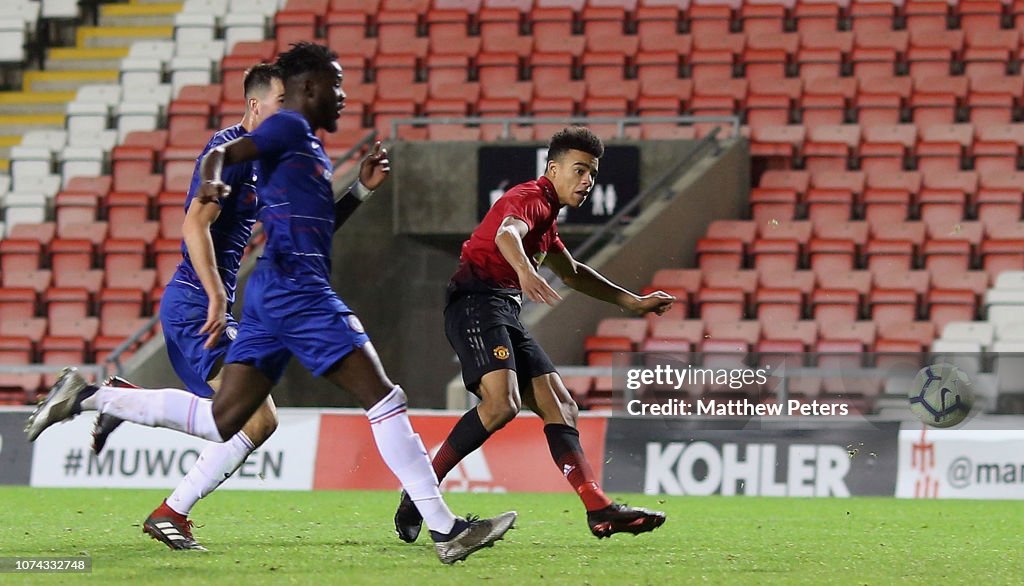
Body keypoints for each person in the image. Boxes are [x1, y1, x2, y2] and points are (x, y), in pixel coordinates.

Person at [26, 42, 515, 565]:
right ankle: (443, 528)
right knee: (381, 396)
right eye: (334, 85)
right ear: (273, 101)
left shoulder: (286, 149)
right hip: (254, 295)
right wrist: (215, 288)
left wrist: (360, 193)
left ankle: (104, 410)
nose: (345, 96)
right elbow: (196, 217)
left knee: (237, 421)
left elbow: (310, 226)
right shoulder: (276, 134)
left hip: (264, 293)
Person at [393, 126, 674, 542]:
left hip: (501, 309)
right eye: (579, 171)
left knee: (561, 404)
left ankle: (599, 508)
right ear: (553, 168)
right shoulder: (529, 198)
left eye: (592, 174)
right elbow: (508, 233)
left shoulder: (548, 220)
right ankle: (419, 493)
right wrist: (525, 270)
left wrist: (631, 302)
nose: (587, 181)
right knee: (501, 403)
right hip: (475, 302)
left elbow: (573, 273)